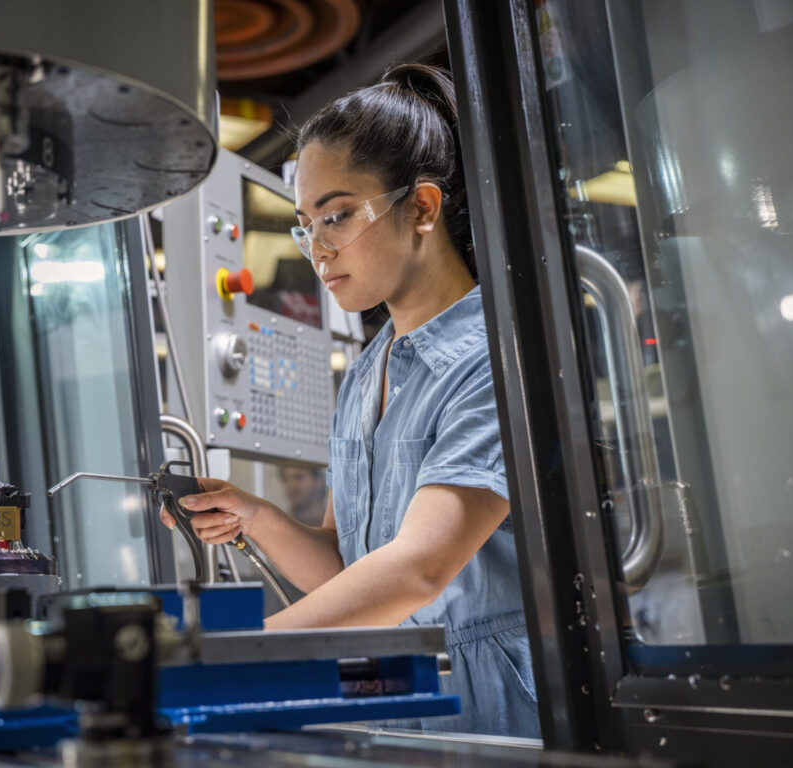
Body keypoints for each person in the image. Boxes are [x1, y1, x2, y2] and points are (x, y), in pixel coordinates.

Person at [161, 63, 539, 738]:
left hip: (491, 708)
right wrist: (257, 516)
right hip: (401, 697)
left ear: (422, 207)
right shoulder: (368, 372)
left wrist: (234, 653)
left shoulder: (491, 355)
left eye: (335, 216)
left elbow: (419, 569)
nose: (316, 248)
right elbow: (345, 565)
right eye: (305, 224)